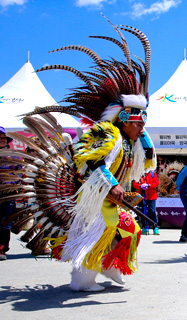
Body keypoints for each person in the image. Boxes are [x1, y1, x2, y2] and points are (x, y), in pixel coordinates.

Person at [0, 22, 156, 290]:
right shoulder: (108, 134)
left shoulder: (131, 140)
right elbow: (90, 162)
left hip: (107, 197)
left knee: (131, 230)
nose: (142, 125)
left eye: (144, 121)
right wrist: (112, 185)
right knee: (96, 233)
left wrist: (142, 136)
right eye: (138, 121)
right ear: (123, 118)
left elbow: (147, 160)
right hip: (91, 197)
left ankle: (107, 266)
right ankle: (83, 279)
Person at [0, 126, 15, 261]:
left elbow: (19, 172)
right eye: (0, 138)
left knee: (5, 223)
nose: (2, 140)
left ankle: (2, 248)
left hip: (8, 194)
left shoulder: (12, 155)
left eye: (4, 138)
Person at [132, 170, 160, 235]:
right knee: (142, 212)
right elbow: (134, 184)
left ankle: (155, 227)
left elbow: (156, 183)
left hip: (151, 196)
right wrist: (140, 186)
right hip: (141, 196)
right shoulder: (138, 173)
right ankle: (144, 228)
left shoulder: (153, 173)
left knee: (152, 211)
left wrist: (149, 185)